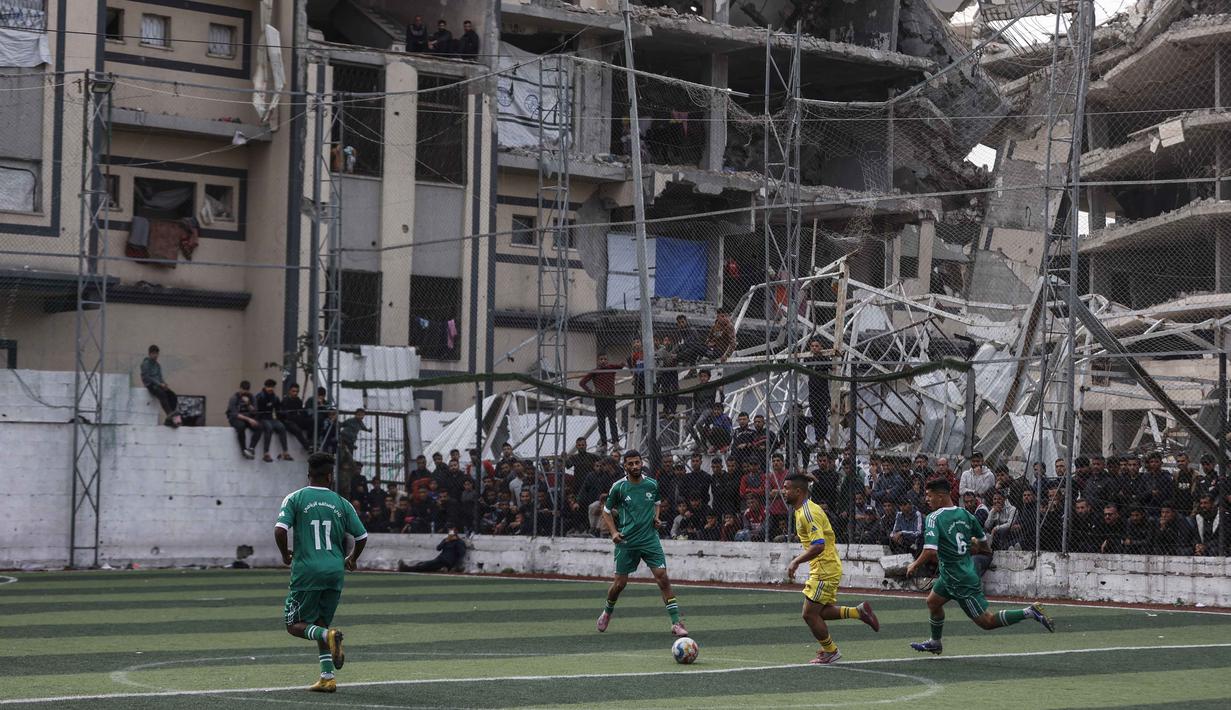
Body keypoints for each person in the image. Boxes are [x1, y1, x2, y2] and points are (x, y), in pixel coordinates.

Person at [905, 478, 1055, 655]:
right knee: (933, 602)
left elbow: (930, 550)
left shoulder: (933, 517)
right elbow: (984, 547)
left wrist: (914, 564)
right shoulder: (967, 515)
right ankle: (935, 642)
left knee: (987, 622)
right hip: (952, 575)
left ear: (940, 496)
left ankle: (1030, 611)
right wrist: (969, 546)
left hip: (960, 580)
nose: (926, 499)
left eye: (929, 496)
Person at [274, 452, 368, 693]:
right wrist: (352, 559)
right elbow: (362, 536)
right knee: (321, 621)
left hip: (307, 572)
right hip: (335, 571)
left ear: (308, 475)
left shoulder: (295, 498)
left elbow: (280, 530)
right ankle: (327, 677)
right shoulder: (341, 503)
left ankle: (328, 636)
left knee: (294, 624)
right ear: (330, 476)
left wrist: (285, 555)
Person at [782, 473, 880, 664]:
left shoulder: (808, 513)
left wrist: (795, 561)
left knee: (809, 614)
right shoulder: (802, 509)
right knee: (820, 611)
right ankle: (858, 612)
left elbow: (818, 545)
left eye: (786, 488)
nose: (783, 491)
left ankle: (831, 651)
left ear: (798, 491)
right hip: (825, 567)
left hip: (824, 568)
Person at [596, 449, 688, 637]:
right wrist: (613, 532)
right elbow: (606, 511)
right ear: (625, 466)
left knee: (662, 578)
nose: (635, 466)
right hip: (627, 541)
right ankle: (607, 611)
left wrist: (656, 518)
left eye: (637, 462)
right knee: (619, 585)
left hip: (649, 539)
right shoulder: (619, 487)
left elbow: (656, 502)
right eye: (631, 463)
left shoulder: (652, 484)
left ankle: (676, 622)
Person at [579, 354, 623, 450]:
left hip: (610, 398)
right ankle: (604, 444)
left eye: (605, 359)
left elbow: (622, 365)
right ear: (598, 361)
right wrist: (591, 392)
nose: (603, 361)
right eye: (601, 359)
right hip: (599, 399)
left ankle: (616, 443)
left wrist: (625, 363)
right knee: (601, 421)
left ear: (607, 361)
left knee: (612, 420)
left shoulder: (611, 368)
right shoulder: (595, 372)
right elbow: (582, 382)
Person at [140, 345, 181, 427]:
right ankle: (170, 414)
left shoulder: (157, 365)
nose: (155, 356)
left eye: (157, 354)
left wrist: (164, 384)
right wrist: (159, 384)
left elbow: (160, 377)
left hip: (159, 385)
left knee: (172, 395)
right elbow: (147, 377)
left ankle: (171, 419)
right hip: (150, 385)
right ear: (150, 354)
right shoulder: (145, 364)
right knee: (162, 394)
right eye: (154, 354)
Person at [398, 529, 466, 573]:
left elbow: (461, 555)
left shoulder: (459, 542)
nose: (450, 537)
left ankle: (407, 568)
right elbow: (438, 548)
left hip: (447, 561)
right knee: (424, 564)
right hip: (440, 559)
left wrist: (454, 566)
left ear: (455, 536)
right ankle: (409, 568)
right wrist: (445, 542)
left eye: (452, 536)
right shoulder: (446, 540)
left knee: (426, 565)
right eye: (449, 535)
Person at [804, 338, 830, 446]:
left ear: (821, 347)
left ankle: (821, 437)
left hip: (822, 392)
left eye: (816, 346)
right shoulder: (809, 360)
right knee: (816, 415)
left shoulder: (824, 359)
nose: (814, 348)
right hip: (813, 392)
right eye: (812, 346)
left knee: (822, 415)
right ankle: (818, 437)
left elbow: (831, 365)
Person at [225, 380, 260, 459]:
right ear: (240, 388)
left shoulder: (252, 397)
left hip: (248, 418)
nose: (244, 392)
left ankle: (251, 448)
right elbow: (235, 414)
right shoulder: (234, 398)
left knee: (259, 427)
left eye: (246, 390)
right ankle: (243, 449)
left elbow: (254, 412)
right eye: (243, 390)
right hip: (235, 418)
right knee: (241, 426)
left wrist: (248, 404)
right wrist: (249, 419)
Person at [281, 383, 313, 451]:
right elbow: (283, 414)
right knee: (297, 430)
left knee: (311, 421)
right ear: (289, 391)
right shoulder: (285, 400)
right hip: (287, 421)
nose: (295, 393)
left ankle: (311, 441)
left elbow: (301, 412)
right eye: (293, 391)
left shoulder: (298, 401)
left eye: (297, 391)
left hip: (296, 419)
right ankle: (307, 447)